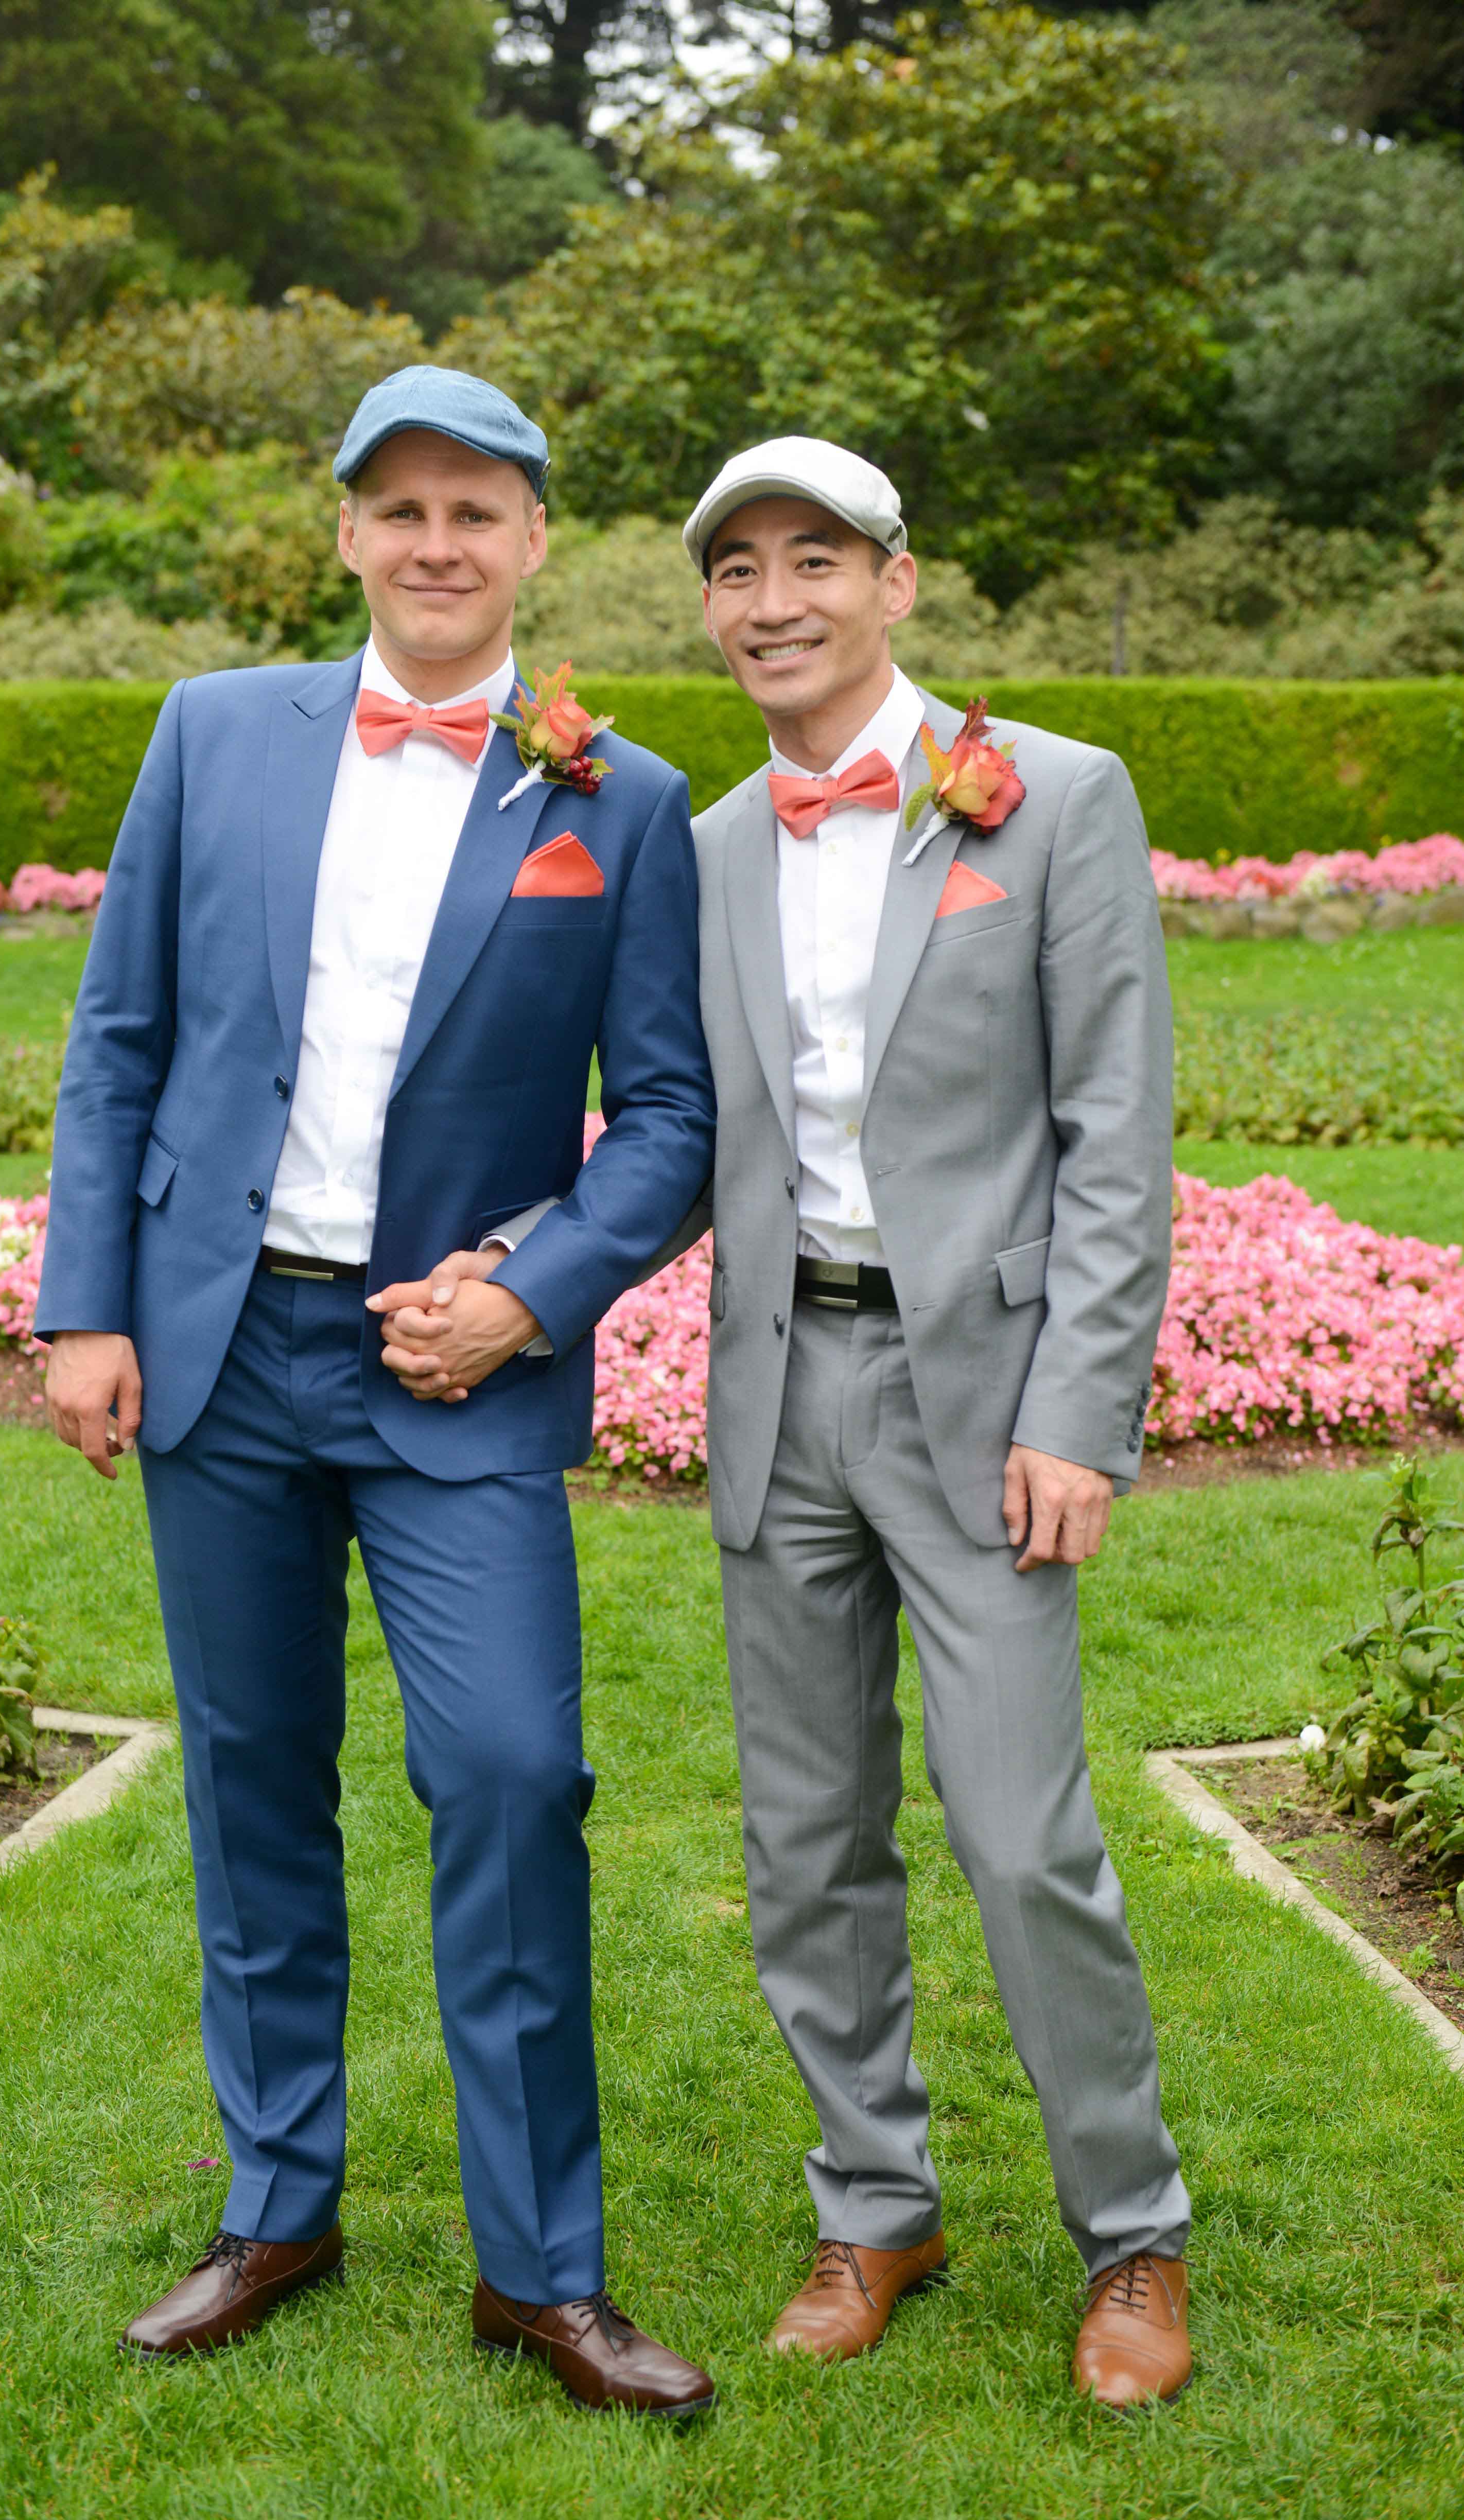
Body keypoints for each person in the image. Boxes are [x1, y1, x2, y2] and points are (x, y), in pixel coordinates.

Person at [377, 436, 1192, 2410]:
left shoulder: (1052, 798)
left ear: (897, 584)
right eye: (734, 569)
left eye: (812, 560)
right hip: (779, 1388)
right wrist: (509, 1256)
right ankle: (874, 2204)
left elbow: (1116, 1136)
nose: (770, 601)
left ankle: (1133, 2237)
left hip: (987, 1400)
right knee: (805, 1838)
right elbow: (666, 1129)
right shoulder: (708, 836)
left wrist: (1080, 1412)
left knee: (1018, 1837)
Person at [34, 366, 719, 2414]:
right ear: (342, 530)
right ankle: (279, 2207)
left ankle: (544, 2271)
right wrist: (90, 1304)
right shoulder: (214, 731)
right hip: (227, 1344)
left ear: (533, 547)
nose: (437, 544)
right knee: (255, 1787)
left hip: (453, 1375)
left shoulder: (622, 797)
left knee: (511, 1776)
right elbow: (119, 1036)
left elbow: (672, 1117)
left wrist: (534, 1296)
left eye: (478, 513)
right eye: (400, 509)